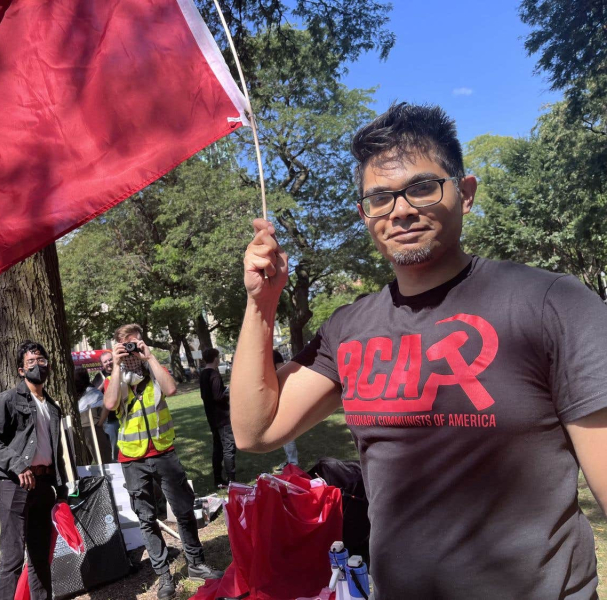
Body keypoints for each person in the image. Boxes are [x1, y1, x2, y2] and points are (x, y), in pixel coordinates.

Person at [231, 102, 607, 599]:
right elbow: (256, 430)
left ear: (465, 193)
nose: (401, 210)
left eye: (422, 187)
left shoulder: (552, 303)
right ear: (364, 215)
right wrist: (263, 304)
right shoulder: (349, 327)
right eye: (380, 198)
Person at [103, 324, 222, 600]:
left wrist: (150, 357)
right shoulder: (116, 378)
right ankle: (164, 577)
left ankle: (196, 564)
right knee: (146, 519)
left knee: (182, 510)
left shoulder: (153, 371)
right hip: (132, 458)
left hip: (163, 452)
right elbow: (110, 405)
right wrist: (117, 364)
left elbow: (170, 389)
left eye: (137, 343)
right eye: (127, 346)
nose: (133, 350)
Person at [0, 340, 69, 600]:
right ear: (21, 370)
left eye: (41, 361)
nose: (37, 366)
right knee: (13, 557)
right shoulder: (7, 399)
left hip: (44, 487)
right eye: (31, 362)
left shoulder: (52, 407)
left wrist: (61, 489)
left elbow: (56, 450)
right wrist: (18, 465)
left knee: (41, 555)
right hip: (13, 485)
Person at [198, 347, 235, 487]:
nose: (219, 360)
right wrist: (229, 392)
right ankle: (232, 479)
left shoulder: (203, 374)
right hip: (222, 417)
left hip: (211, 416)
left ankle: (218, 478)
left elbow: (206, 395)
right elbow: (218, 396)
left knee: (218, 447)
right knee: (228, 447)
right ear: (215, 359)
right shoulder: (214, 374)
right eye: (218, 357)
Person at [74, 366, 112, 464]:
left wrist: (99, 425)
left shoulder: (94, 393)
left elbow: (105, 408)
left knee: (103, 462)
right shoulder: (80, 395)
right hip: (84, 431)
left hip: (94, 430)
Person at [271, 350, 298, 473]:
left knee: (286, 433)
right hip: (276, 398)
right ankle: (290, 460)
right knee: (283, 435)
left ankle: (293, 463)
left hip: (283, 398)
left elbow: (282, 373)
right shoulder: (266, 357)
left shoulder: (275, 356)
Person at [94, 351, 119, 461]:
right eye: (105, 362)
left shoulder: (121, 371)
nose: (108, 363)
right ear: (102, 364)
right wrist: (103, 385)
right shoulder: (99, 376)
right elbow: (94, 394)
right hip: (110, 420)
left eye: (110, 360)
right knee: (114, 450)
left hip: (126, 416)